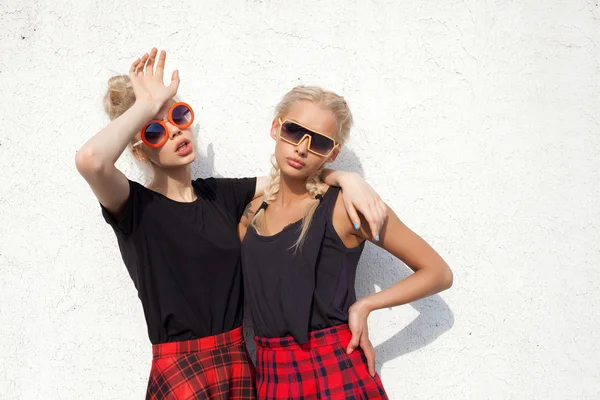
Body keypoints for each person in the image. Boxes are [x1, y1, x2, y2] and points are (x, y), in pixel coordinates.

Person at [75, 49, 387, 399]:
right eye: (154, 131)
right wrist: (146, 106)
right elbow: (91, 161)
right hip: (181, 369)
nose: (175, 133)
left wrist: (346, 177)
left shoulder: (220, 195)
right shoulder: (134, 207)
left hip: (237, 361)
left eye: (179, 117)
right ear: (138, 151)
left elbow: (290, 177)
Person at [239, 85, 454, 399]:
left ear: (332, 153)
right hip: (272, 376)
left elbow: (438, 272)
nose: (301, 148)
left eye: (320, 142)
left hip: (334, 371)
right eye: (295, 131)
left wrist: (365, 305)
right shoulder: (251, 212)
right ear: (276, 127)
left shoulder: (345, 206)